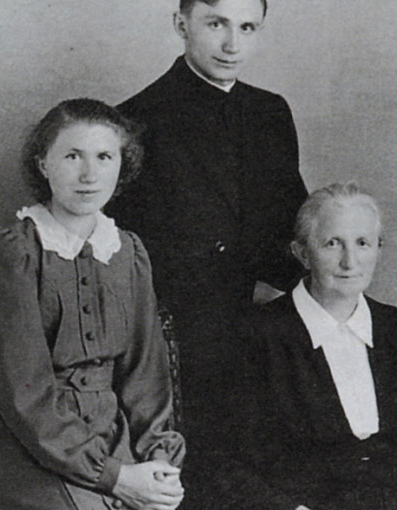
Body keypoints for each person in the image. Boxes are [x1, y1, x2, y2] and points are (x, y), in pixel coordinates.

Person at [104, 0, 307, 484]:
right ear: (182, 24)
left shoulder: (270, 112)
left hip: (267, 323)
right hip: (179, 333)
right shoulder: (134, 120)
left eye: (247, 27)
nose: (232, 44)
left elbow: (293, 223)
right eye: (216, 24)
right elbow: (123, 250)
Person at [0, 99, 186, 510]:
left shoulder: (128, 252)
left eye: (104, 157)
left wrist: (158, 459)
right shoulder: (14, 252)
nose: (89, 175)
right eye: (72, 156)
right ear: (43, 164)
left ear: (122, 165)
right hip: (27, 450)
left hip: (111, 437)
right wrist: (114, 476)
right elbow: (23, 393)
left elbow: (147, 374)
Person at [209, 183, 397, 510]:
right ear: (301, 253)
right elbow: (222, 465)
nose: (349, 262)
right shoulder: (257, 338)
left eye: (363, 243)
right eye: (332, 243)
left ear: (378, 250)